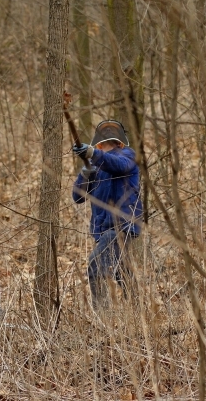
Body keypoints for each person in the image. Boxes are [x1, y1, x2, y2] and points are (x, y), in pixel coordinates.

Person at [72, 119, 143, 306]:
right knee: (121, 272)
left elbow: (118, 165)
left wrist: (93, 154)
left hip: (121, 225)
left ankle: (103, 318)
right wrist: (85, 173)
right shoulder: (97, 164)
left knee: (95, 265)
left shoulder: (127, 156)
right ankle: (138, 311)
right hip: (103, 229)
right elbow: (78, 197)